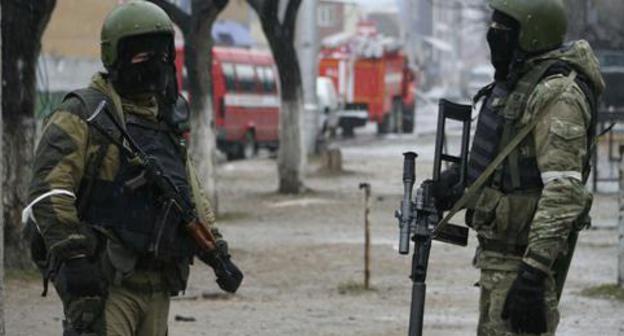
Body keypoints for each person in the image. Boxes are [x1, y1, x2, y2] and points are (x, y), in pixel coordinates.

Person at [23, 1, 242, 335]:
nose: (154, 64)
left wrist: (219, 254)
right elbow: (49, 192)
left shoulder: (165, 121)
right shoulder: (83, 114)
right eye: (141, 55)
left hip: (157, 285)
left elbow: (190, 196)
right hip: (107, 286)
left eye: (161, 54)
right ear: (116, 57)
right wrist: (73, 259)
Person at [429, 0, 605, 335]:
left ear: (531, 36)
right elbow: (503, 164)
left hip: (521, 267)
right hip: (497, 261)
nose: (493, 37)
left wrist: (533, 275)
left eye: (502, 31)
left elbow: (564, 191)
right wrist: (453, 184)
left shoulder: (557, 95)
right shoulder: (517, 85)